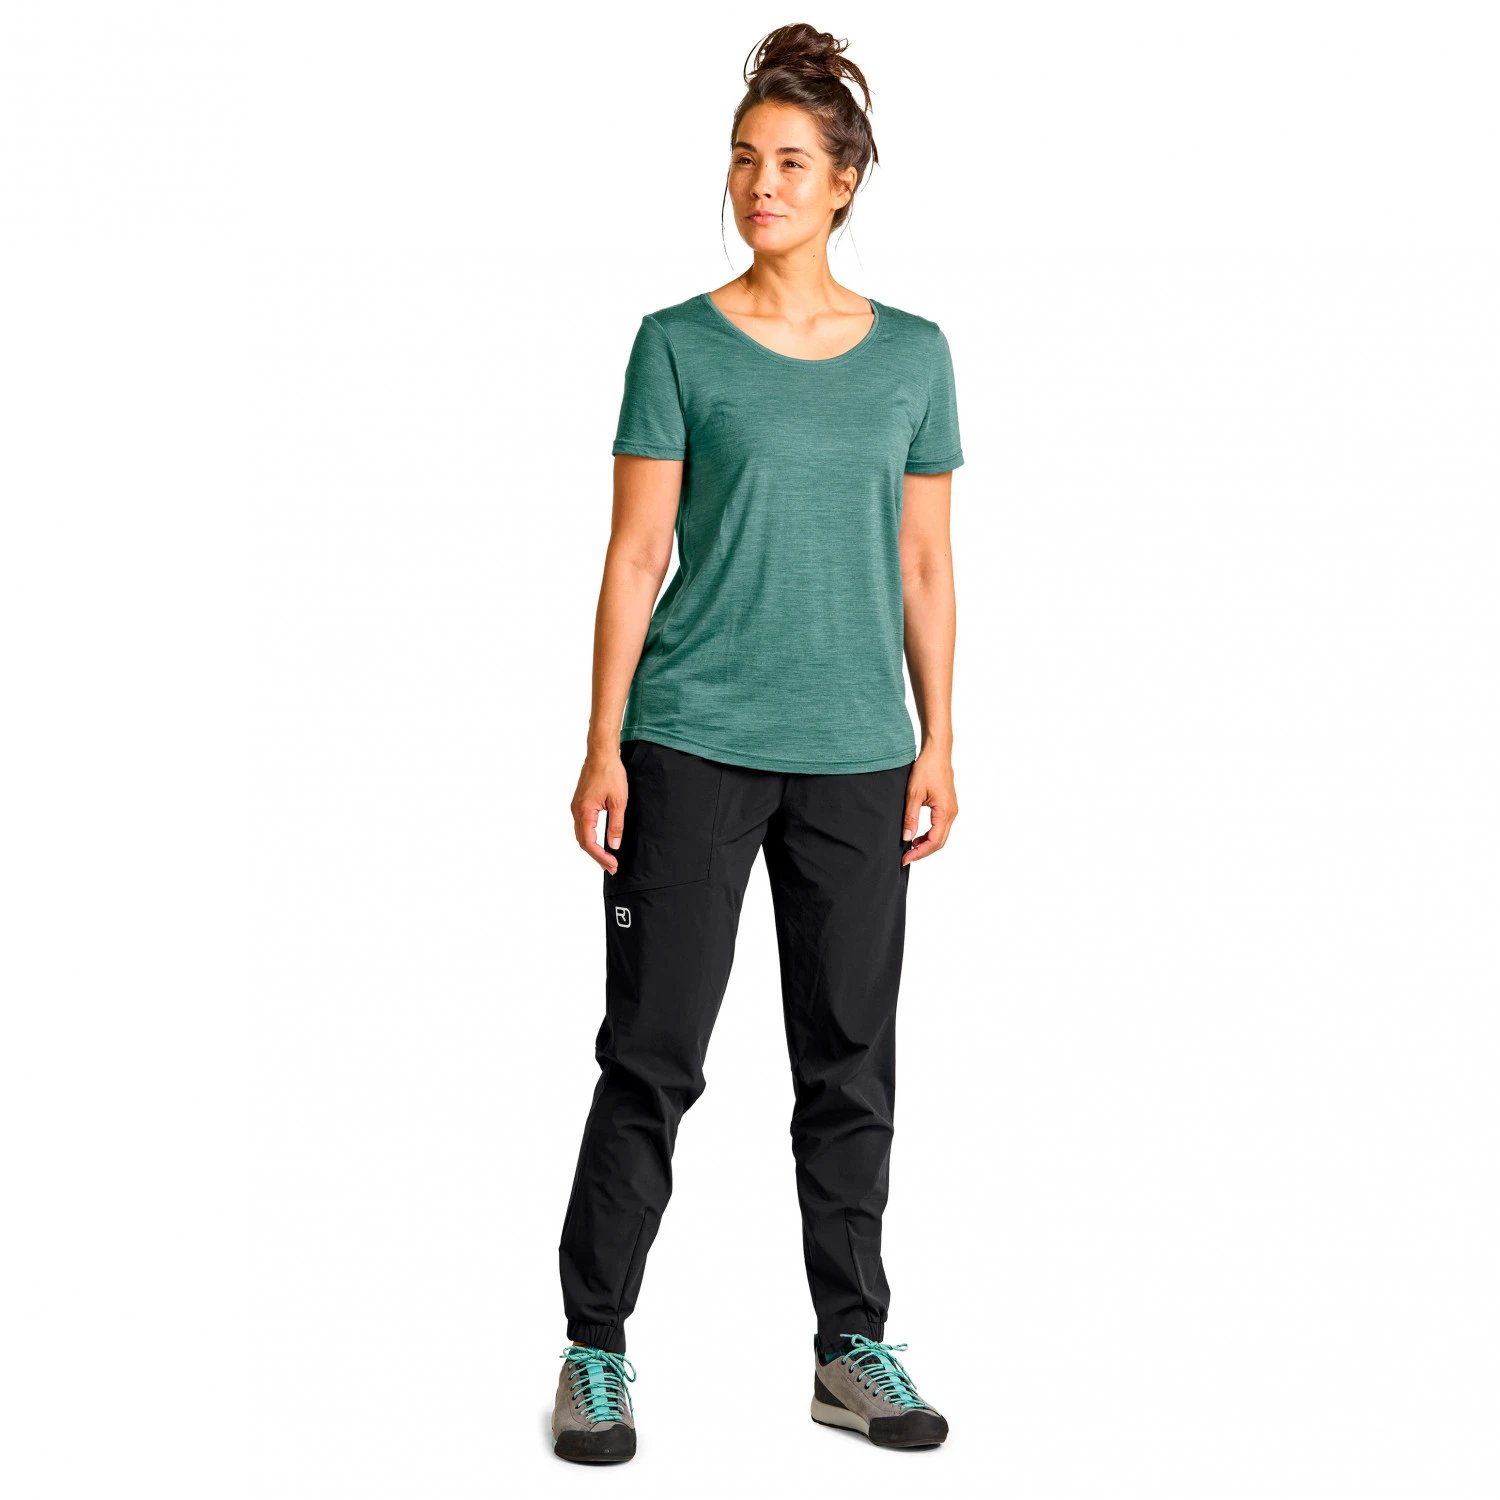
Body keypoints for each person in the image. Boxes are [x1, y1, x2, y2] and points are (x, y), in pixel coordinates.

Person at [551, 23, 963, 1464]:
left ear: (845, 182)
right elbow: (635, 553)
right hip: (692, 741)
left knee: (850, 1063)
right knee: (653, 1054)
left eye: (790, 161)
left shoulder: (915, 355)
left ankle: (852, 1346)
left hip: (858, 752)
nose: (761, 183)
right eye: (744, 159)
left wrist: (938, 740)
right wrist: (603, 744)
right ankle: (594, 1350)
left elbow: (925, 564)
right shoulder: (676, 343)